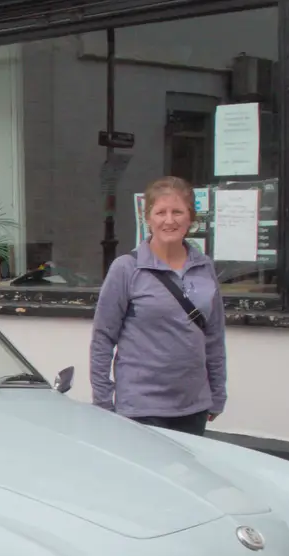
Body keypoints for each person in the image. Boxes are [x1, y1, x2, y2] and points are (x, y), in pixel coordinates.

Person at [89, 176, 228, 436]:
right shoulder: (127, 269)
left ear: (191, 218)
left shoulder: (205, 267)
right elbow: (103, 338)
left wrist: (217, 393)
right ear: (148, 218)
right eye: (160, 212)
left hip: (192, 406)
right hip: (141, 407)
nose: (169, 220)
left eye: (177, 212)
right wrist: (103, 400)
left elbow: (214, 336)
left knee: (187, 476)